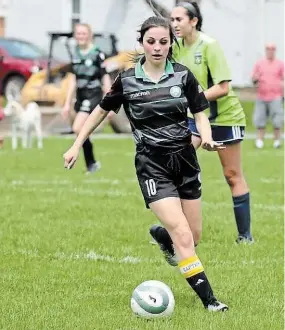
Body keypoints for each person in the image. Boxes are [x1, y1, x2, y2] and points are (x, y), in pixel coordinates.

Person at [63, 16, 228, 312]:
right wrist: (77, 144)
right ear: (141, 43)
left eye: (163, 42)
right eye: (151, 41)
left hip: (186, 161)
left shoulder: (183, 75)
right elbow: (101, 111)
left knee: (194, 235)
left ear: (170, 44)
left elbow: (201, 111)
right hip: (152, 165)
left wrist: (205, 137)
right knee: (183, 235)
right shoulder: (126, 80)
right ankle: (211, 302)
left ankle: (161, 236)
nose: (157, 47)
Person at [157, 1, 253, 244]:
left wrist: (192, 101)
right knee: (177, 166)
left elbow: (222, 88)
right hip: (195, 119)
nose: (174, 24)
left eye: (179, 19)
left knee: (232, 175)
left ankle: (245, 236)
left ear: (194, 21)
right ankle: (177, 231)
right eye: (172, 20)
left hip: (224, 117)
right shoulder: (176, 48)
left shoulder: (209, 46)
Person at [62, 23, 112, 173]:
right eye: (78, 34)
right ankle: (92, 163)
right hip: (81, 96)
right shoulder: (75, 53)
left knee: (78, 128)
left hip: (93, 95)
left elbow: (105, 78)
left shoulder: (97, 53)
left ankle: (90, 162)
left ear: (89, 35)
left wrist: (109, 101)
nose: (81, 36)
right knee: (80, 131)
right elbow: (72, 80)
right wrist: (66, 104)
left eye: (83, 33)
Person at [252, 43, 284, 149]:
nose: (270, 51)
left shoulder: (280, 64)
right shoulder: (259, 63)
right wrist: (255, 78)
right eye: (268, 49)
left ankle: (277, 141)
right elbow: (253, 79)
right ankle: (260, 141)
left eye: (272, 49)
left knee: (277, 120)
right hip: (262, 96)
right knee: (260, 119)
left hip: (276, 96)